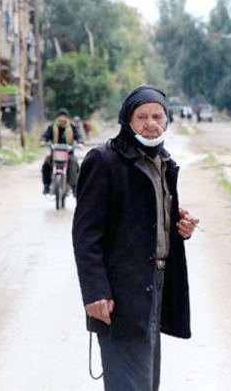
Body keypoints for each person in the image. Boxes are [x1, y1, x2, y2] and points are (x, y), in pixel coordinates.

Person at [72, 85, 201, 390]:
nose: (150, 123)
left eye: (158, 116)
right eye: (141, 116)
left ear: (167, 121)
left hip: (154, 285)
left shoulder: (162, 162)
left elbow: (144, 218)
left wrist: (179, 226)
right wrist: (94, 292)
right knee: (130, 383)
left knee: (145, 381)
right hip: (120, 292)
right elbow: (85, 234)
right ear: (126, 121)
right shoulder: (104, 161)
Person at [40, 108, 84, 195]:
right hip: (55, 153)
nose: (62, 118)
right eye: (60, 116)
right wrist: (43, 141)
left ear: (67, 118)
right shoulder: (52, 127)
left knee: (74, 163)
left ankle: (74, 186)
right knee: (46, 164)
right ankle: (46, 185)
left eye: (64, 116)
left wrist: (80, 142)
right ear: (57, 117)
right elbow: (45, 136)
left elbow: (78, 136)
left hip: (68, 153)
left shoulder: (72, 127)